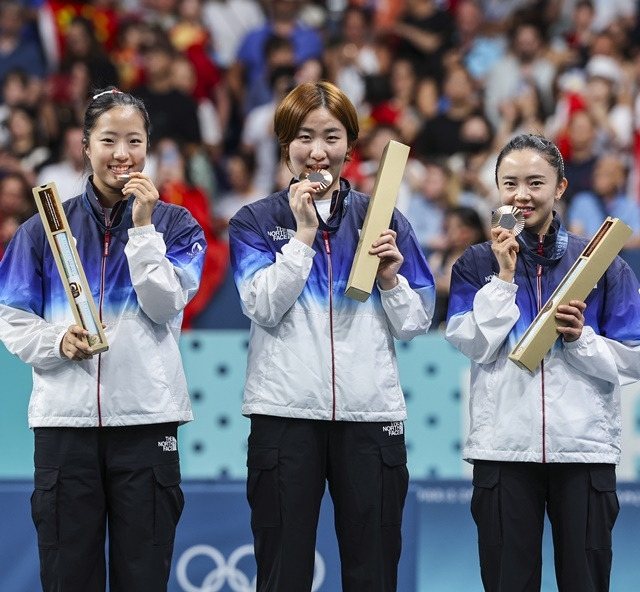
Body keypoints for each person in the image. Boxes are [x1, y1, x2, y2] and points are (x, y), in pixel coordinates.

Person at [228, 80, 435, 592]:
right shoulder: (254, 222)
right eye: (304, 137)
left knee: (373, 572)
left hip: (370, 418)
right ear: (284, 145)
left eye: (331, 137)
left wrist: (390, 280)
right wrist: (300, 236)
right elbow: (262, 306)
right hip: (285, 416)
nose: (317, 152)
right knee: (282, 572)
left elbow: (416, 322)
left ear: (350, 145)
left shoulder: (381, 218)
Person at [0, 87, 206, 592]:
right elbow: (10, 317)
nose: (122, 154)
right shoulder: (41, 230)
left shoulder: (176, 226)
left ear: (148, 147)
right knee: (68, 577)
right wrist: (57, 342)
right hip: (65, 425)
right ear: (85, 147)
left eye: (134, 141)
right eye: (109, 140)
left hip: (146, 422)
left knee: (144, 577)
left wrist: (142, 230)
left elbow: (163, 305)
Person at [445, 133, 640, 592]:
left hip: (584, 452)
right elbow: (473, 345)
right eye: (510, 183)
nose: (521, 195)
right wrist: (504, 279)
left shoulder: (603, 263)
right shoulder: (475, 264)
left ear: (560, 188)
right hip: (504, 452)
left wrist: (581, 340)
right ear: (497, 188)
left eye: (536, 182)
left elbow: (633, 358)